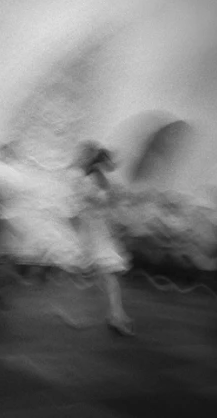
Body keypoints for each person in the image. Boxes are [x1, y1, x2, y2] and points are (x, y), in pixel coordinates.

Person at [71, 141, 135, 336]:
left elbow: (101, 205)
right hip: (93, 232)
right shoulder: (90, 181)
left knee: (108, 275)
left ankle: (116, 315)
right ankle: (114, 315)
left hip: (98, 231)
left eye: (84, 156)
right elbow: (88, 207)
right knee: (105, 275)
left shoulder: (95, 179)